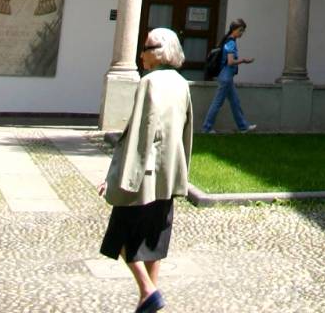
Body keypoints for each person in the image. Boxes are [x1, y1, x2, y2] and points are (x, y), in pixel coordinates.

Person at [99, 26, 193, 313]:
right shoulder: (181, 84)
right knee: (155, 238)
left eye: (147, 48)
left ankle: (148, 290)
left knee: (121, 235)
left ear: (160, 52)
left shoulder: (149, 83)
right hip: (168, 173)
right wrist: (182, 171)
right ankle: (147, 301)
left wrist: (118, 179)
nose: (142, 54)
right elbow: (186, 134)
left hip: (144, 175)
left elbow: (138, 135)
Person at [201, 18, 257, 134]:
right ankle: (206, 128)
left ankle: (243, 127)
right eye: (241, 31)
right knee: (217, 103)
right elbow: (230, 61)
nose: (242, 33)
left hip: (227, 78)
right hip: (226, 77)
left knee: (235, 101)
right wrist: (243, 60)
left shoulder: (228, 41)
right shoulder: (231, 42)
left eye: (243, 31)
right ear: (234, 30)